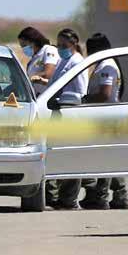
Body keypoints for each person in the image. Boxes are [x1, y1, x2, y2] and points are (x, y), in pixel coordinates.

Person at [79, 33, 128, 210]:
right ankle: (121, 195)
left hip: (106, 118)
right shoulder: (104, 64)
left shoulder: (107, 66)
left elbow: (105, 94)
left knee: (104, 158)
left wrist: (85, 99)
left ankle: (100, 197)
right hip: (106, 116)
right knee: (110, 157)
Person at [46, 28, 88, 210]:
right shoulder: (63, 61)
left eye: (64, 45)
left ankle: (69, 199)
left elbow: (80, 91)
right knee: (57, 155)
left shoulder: (77, 62)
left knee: (71, 157)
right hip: (58, 112)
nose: (60, 48)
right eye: (58, 45)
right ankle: (56, 196)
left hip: (70, 113)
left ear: (74, 44)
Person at [17, 26, 59, 96]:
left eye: (24, 45)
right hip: (38, 96)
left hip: (49, 96)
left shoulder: (49, 50)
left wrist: (30, 78)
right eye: (22, 46)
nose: (23, 49)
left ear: (33, 42)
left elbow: (48, 73)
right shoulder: (33, 59)